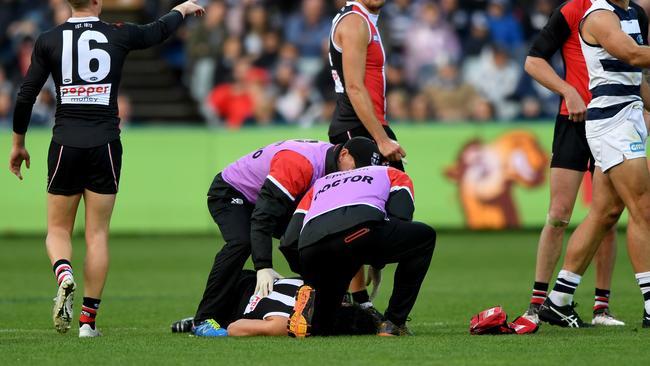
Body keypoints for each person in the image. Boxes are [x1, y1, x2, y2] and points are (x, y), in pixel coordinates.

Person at [7, 0, 205, 338]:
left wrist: (18, 143)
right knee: (97, 234)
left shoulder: (49, 39)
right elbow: (157, 32)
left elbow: (26, 94)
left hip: (66, 143)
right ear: (98, 3)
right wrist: (182, 10)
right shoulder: (117, 35)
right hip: (106, 145)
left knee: (57, 230)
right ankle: (87, 324)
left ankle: (63, 273)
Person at [521, 0, 649, 326]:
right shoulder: (587, 12)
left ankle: (572, 300)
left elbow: (636, 76)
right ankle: (538, 301)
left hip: (622, 114)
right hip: (594, 119)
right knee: (563, 214)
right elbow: (533, 61)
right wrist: (567, 91)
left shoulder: (634, 13)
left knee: (606, 212)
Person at [175, 138, 381, 337]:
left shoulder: (335, 165)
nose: (358, 174)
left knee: (317, 239)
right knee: (242, 242)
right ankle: (204, 318)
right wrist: (263, 266)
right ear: (343, 154)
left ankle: (330, 297)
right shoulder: (299, 164)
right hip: (230, 192)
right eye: (358, 167)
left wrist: (375, 260)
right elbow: (262, 217)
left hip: (263, 199)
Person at [281, 165, 436, 336]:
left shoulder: (320, 182)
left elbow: (288, 241)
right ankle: (393, 323)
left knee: (325, 325)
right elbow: (400, 218)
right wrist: (378, 260)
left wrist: (309, 276)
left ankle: (314, 312)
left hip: (311, 247)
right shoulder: (392, 173)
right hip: (359, 235)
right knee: (424, 238)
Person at [328, 0, 406, 315]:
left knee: (389, 214)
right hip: (357, 131)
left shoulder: (364, 21)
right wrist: (381, 138)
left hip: (367, 128)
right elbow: (355, 88)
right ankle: (358, 300)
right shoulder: (355, 22)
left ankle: (356, 295)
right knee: (359, 219)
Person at [171, 270, 377, 336]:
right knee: (220, 328)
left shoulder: (319, 286)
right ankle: (201, 322)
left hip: (240, 277)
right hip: (229, 308)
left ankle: (199, 319)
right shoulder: (285, 325)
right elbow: (234, 328)